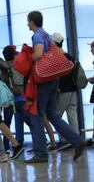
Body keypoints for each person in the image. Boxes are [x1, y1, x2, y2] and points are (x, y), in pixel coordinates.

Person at [25, 11, 86, 163]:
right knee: (53, 115)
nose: (27, 24)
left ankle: (40, 154)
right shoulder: (47, 35)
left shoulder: (37, 35)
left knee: (37, 116)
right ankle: (77, 141)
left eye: (28, 21)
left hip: (44, 79)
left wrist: (28, 59)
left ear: (32, 21)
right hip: (54, 79)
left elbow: (38, 54)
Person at [51, 32, 80, 151]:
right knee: (72, 115)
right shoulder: (70, 57)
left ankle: (64, 140)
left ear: (53, 43)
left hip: (63, 91)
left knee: (57, 116)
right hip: (73, 90)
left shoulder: (57, 58)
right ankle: (76, 140)